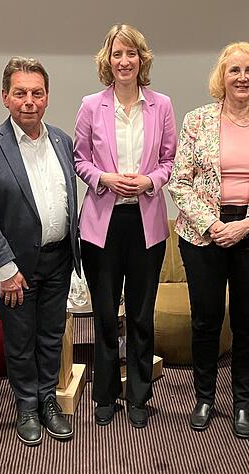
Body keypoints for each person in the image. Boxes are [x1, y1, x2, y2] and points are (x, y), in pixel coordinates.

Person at [169, 41, 249, 439]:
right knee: (205, 319)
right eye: (234, 70)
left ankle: (243, 403)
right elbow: (180, 181)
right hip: (203, 234)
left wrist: (247, 223)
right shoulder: (197, 120)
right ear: (221, 77)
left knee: (248, 321)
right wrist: (212, 224)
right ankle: (204, 396)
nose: (242, 78)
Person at [0, 57, 81, 446]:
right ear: (5, 97)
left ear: (47, 97)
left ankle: (48, 398)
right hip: (15, 267)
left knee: (51, 335)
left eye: (37, 93)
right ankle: (26, 404)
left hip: (59, 258)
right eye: (20, 93)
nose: (29, 101)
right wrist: (4, 267)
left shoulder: (63, 141)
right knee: (19, 339)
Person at [73, 24, 176, 428]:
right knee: (103, 311)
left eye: (131, 54)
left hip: (146, 222)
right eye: (117, 54)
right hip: (102, 223)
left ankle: (138, 394)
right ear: (108, 60)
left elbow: (169, 161)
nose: (124, 61)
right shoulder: (90, 105)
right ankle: (104, 393)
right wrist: (104, 179)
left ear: (142, 59)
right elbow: (80, 159)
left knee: (140, 313)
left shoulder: (162, 105)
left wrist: (151, 180)